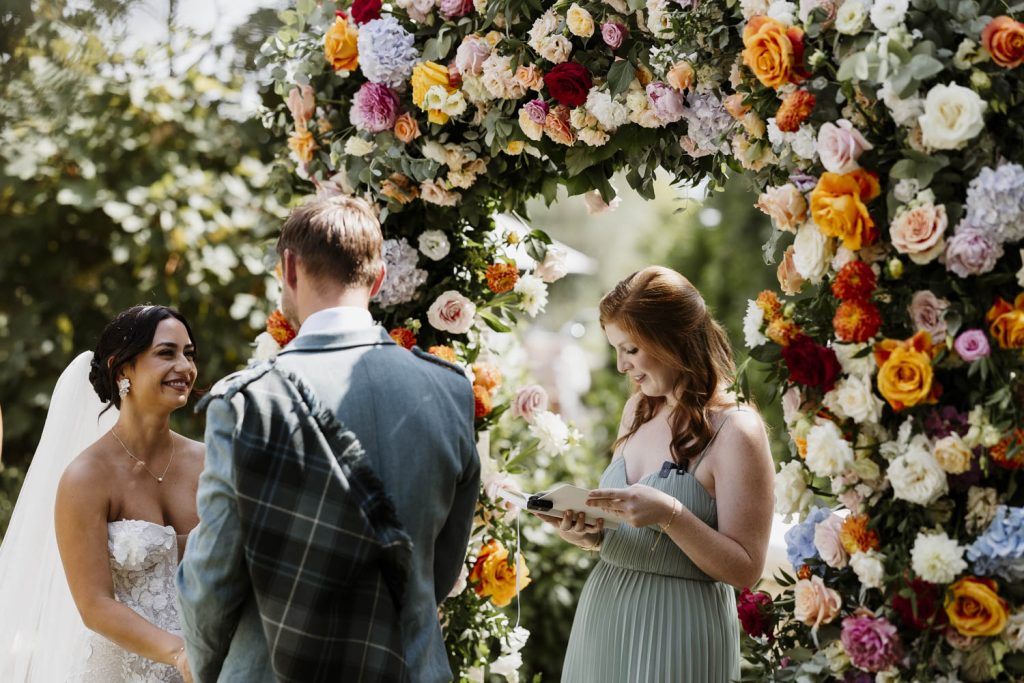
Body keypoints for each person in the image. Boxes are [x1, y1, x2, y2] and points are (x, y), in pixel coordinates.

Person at [177, 195, 480, 683]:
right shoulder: (449, 389)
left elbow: (212, 580)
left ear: (288, 268)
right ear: (379, 279)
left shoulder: (248, 402)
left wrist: (208, 667)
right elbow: (438, 571)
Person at [542, 266, 775, 682]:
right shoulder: (637, 409)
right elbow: (627, 529)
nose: (620, 365)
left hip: (680, 631)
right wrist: (588, 532)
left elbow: (746, 569)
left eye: (630, 349)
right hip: (603, 620)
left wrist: (671, 514)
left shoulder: (737, 429)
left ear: (671, 340)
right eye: (616, 349)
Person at [0, 305, 203, 682]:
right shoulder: (86, 477)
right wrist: (178, 653)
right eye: (166, 353)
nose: (185, 366)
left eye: (188, 354)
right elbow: (94, 604)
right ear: (121, 369)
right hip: (123, 671)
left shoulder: (209, 462)